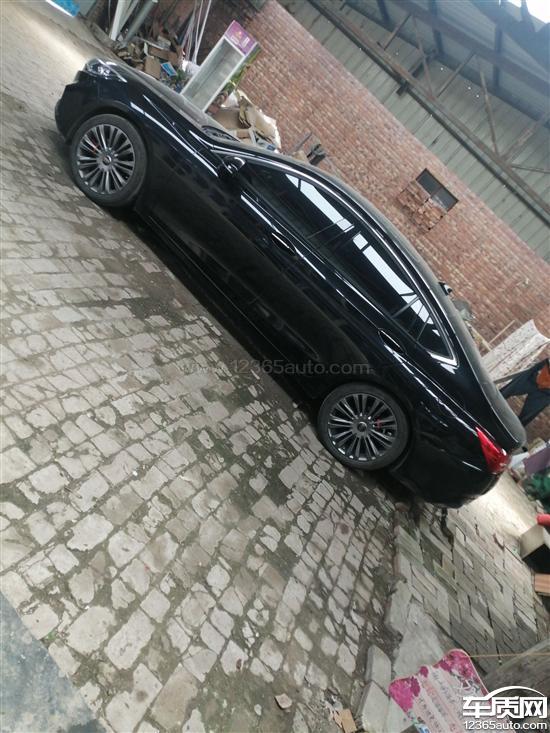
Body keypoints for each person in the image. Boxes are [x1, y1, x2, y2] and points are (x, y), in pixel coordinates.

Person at [499, 357, 550, 426]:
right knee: (502, 394)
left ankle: (506, 430)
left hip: (546, 392)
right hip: (537, 374)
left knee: (524, 419)